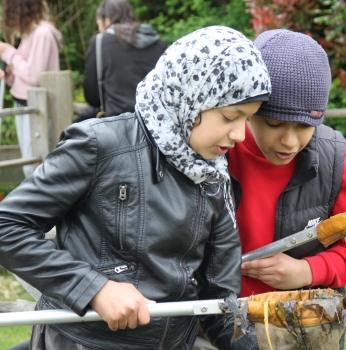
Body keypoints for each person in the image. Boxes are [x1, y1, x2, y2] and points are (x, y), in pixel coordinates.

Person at [0, 26, 271, 350]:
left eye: (247, 119)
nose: (240, 135)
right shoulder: (101, 145)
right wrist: (93, 288)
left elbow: (220, 306)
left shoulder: (216, 180)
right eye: (230, 116)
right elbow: (7, 226)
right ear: (191, 96)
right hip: (79, 342)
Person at [224, 29, 346, 349]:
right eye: (275, 124)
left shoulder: (340, 161)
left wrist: (307, 270)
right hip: (223, 321)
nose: (290, 142)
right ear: (249, 108)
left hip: (309, 325)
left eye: (306, 126)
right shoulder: (217, 151)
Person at [0, 0, 62, 178]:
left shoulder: (42, 34)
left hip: (36, 109)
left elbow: (35, 76)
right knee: (30, 163)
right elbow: (26, 74)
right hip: (25, 105)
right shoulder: (31, 34)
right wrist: (10, 75)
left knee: (35, 166)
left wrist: (8, 52)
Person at [78, 0, 167, 121]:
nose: (100, 29)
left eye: (99, 24)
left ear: (107, 19)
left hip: (116, 125)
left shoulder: (100, 42)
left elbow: (93, 97)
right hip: (156, 123)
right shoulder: (159, 43)